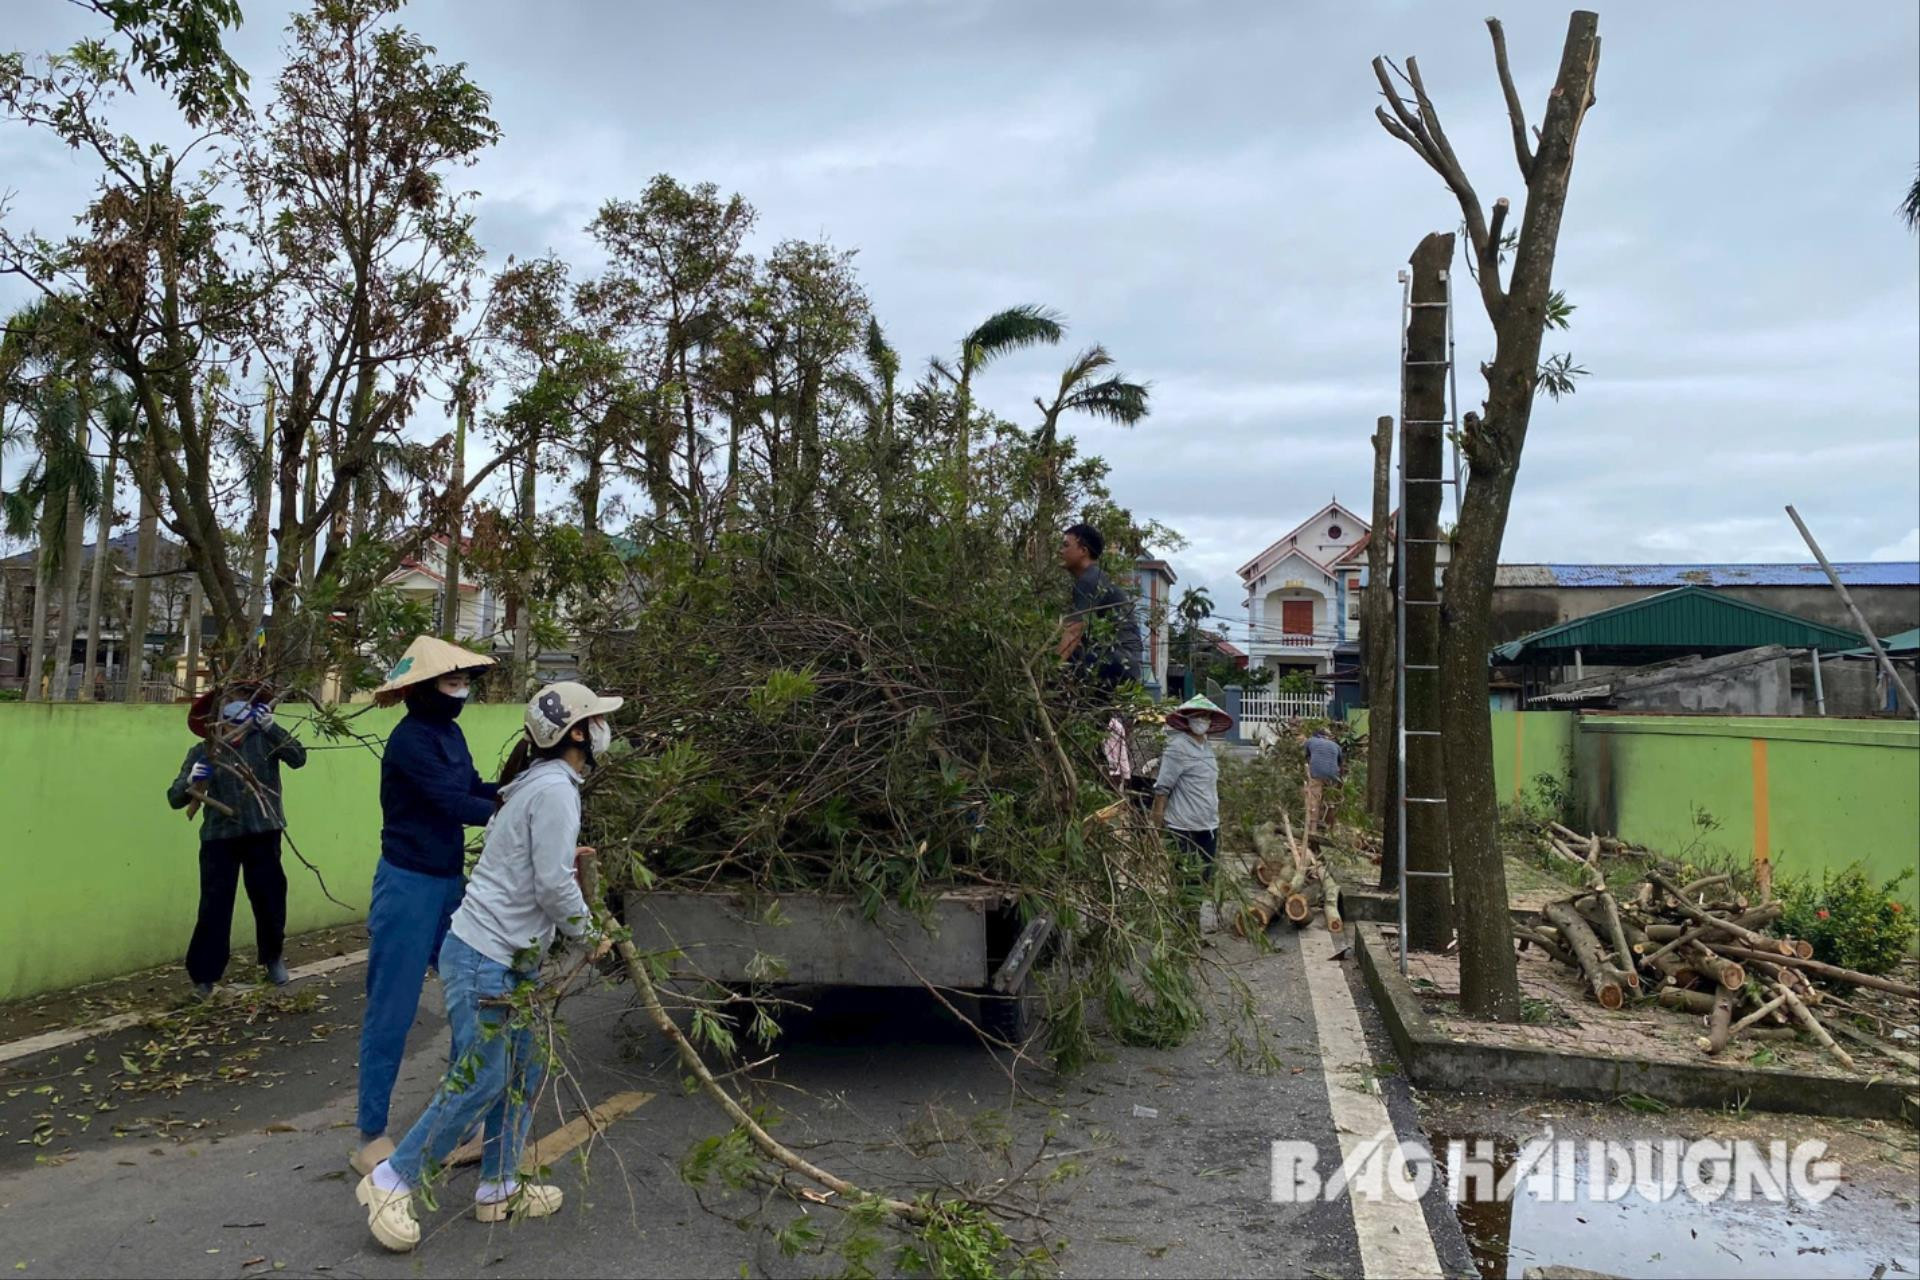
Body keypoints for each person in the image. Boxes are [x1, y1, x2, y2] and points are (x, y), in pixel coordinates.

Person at [357, 680, 621, 1254]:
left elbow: (533, 858)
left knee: (522, 1069)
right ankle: (390, 1180)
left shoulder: (539, 782)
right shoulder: (554, 790)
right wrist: (592, 936)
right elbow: (552, 885)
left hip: (508, 954)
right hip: (485, 958)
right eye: (597, 720)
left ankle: (499, 1187)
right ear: (578, 733)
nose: (605, 730)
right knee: (480, 1076)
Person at [353, 636, 501, 1178]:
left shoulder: (451, 733)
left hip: (448, 884)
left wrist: (517, 785)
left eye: (464, 681)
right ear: (421, 688)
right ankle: (370, 1132)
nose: (460, 690)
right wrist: (514, 810)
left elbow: (473, 786)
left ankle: (464, 1118)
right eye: (450, 681)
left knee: (469, 997)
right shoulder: (411, 741)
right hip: (408, 884)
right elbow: (455, 802)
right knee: (391, 1008)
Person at [167, 685, 308, 997]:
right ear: (215, 717)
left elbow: (299, 757)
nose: (235, 710)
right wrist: (192, 781)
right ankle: (204, 977)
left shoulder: (265, 741)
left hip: (263, 829)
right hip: (219, 838)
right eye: (227, 706)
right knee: (214, 906)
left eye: (241, 703)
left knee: (270, 898)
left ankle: (272, 958)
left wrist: (272, 728)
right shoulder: (203, 752)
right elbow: (175, 798)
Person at [1152, 695, 1230, 929]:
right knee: (1185, 878)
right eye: (1197, 716)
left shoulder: (1206, 747)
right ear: (1187, 719)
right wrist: (1155, 826)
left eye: (1205, 716)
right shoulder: (1177, 747)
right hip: (1182, 827)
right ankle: (1186, 928)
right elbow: (1162, 788)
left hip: (1207, 825)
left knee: (1204, 876)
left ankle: (1189, 922)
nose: (1202, 721)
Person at [1056, 522, 1142, 690]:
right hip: (1125, 664)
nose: (1061, 551)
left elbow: (1074, 630)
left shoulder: (1089, 580)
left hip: (1118, 661)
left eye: (1066, 545)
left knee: (1066, 659)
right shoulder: (1093, 578)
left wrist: (1048, 671)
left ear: (1083, 551)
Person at [1303, 725, 1345, 838]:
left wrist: (1308, 774)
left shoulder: (1310, 741)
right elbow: (1341, 765)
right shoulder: (1336, 746)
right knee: (1330, 802)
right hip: (1333, 775)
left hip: (1316, 774)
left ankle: (1313, 829)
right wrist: (1340, 783)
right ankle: (1330, 829)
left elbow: (1306, 757)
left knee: (1314, 800)